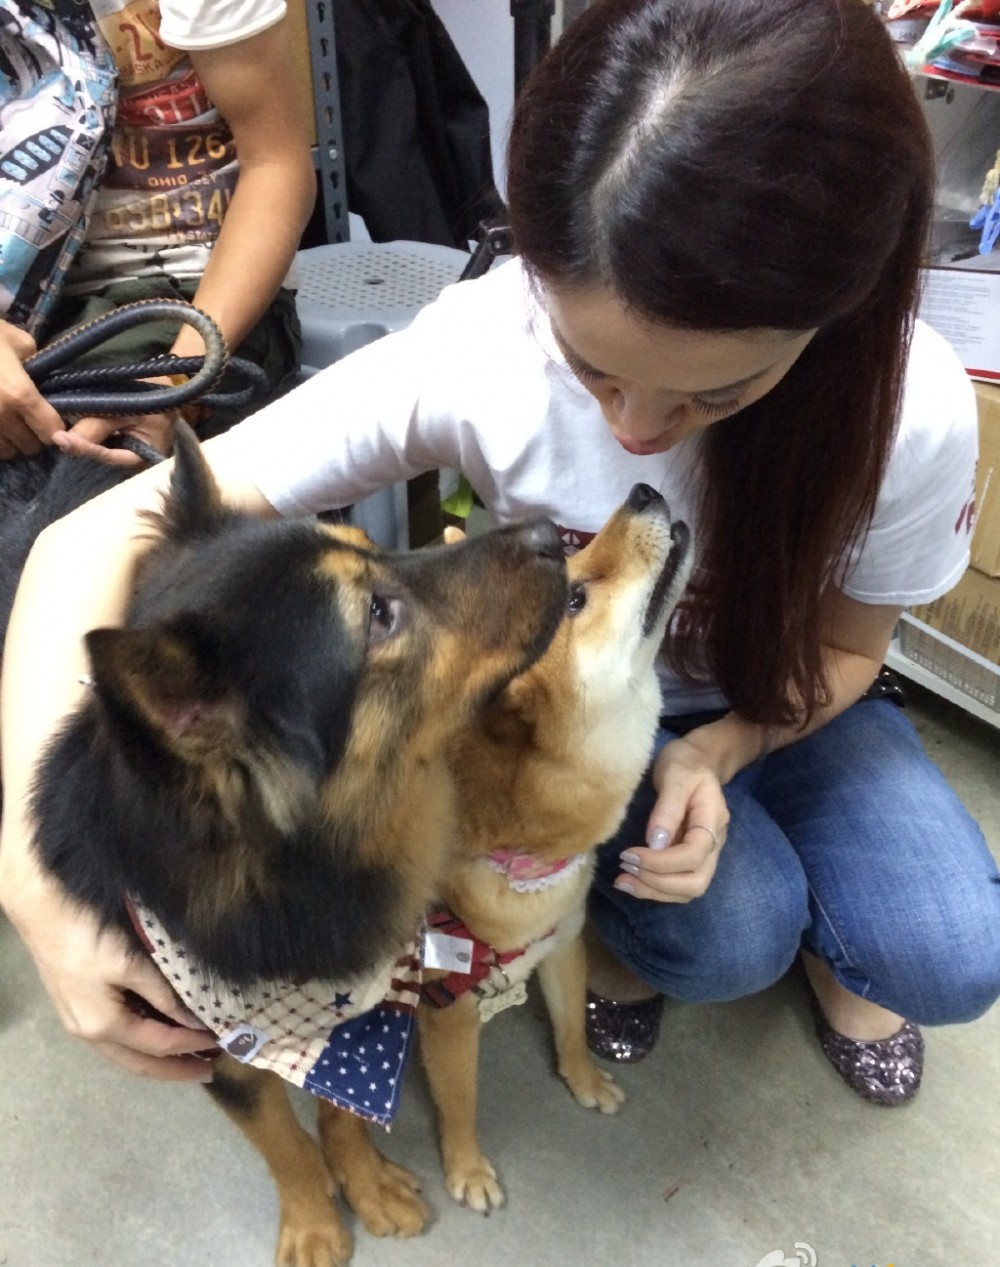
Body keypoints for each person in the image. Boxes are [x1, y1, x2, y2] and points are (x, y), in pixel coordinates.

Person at [2, 0, 998, 1102]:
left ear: (839, 310)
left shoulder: (907, 412)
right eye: (592, 365)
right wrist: (33, 885)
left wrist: (715, 753)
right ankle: (671, 936)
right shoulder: (486, 344)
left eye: (716, 390)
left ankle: (830, 940)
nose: (632, 429)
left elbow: (851, 650)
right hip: (562, 713)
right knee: (728, 935)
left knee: (950, 950)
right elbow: (86, 537)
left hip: (786, 694)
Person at [0, 0, 316, 462]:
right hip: (22, 305)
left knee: (81, 478)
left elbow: (275, 164)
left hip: (187, 294)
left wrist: (177, 381)